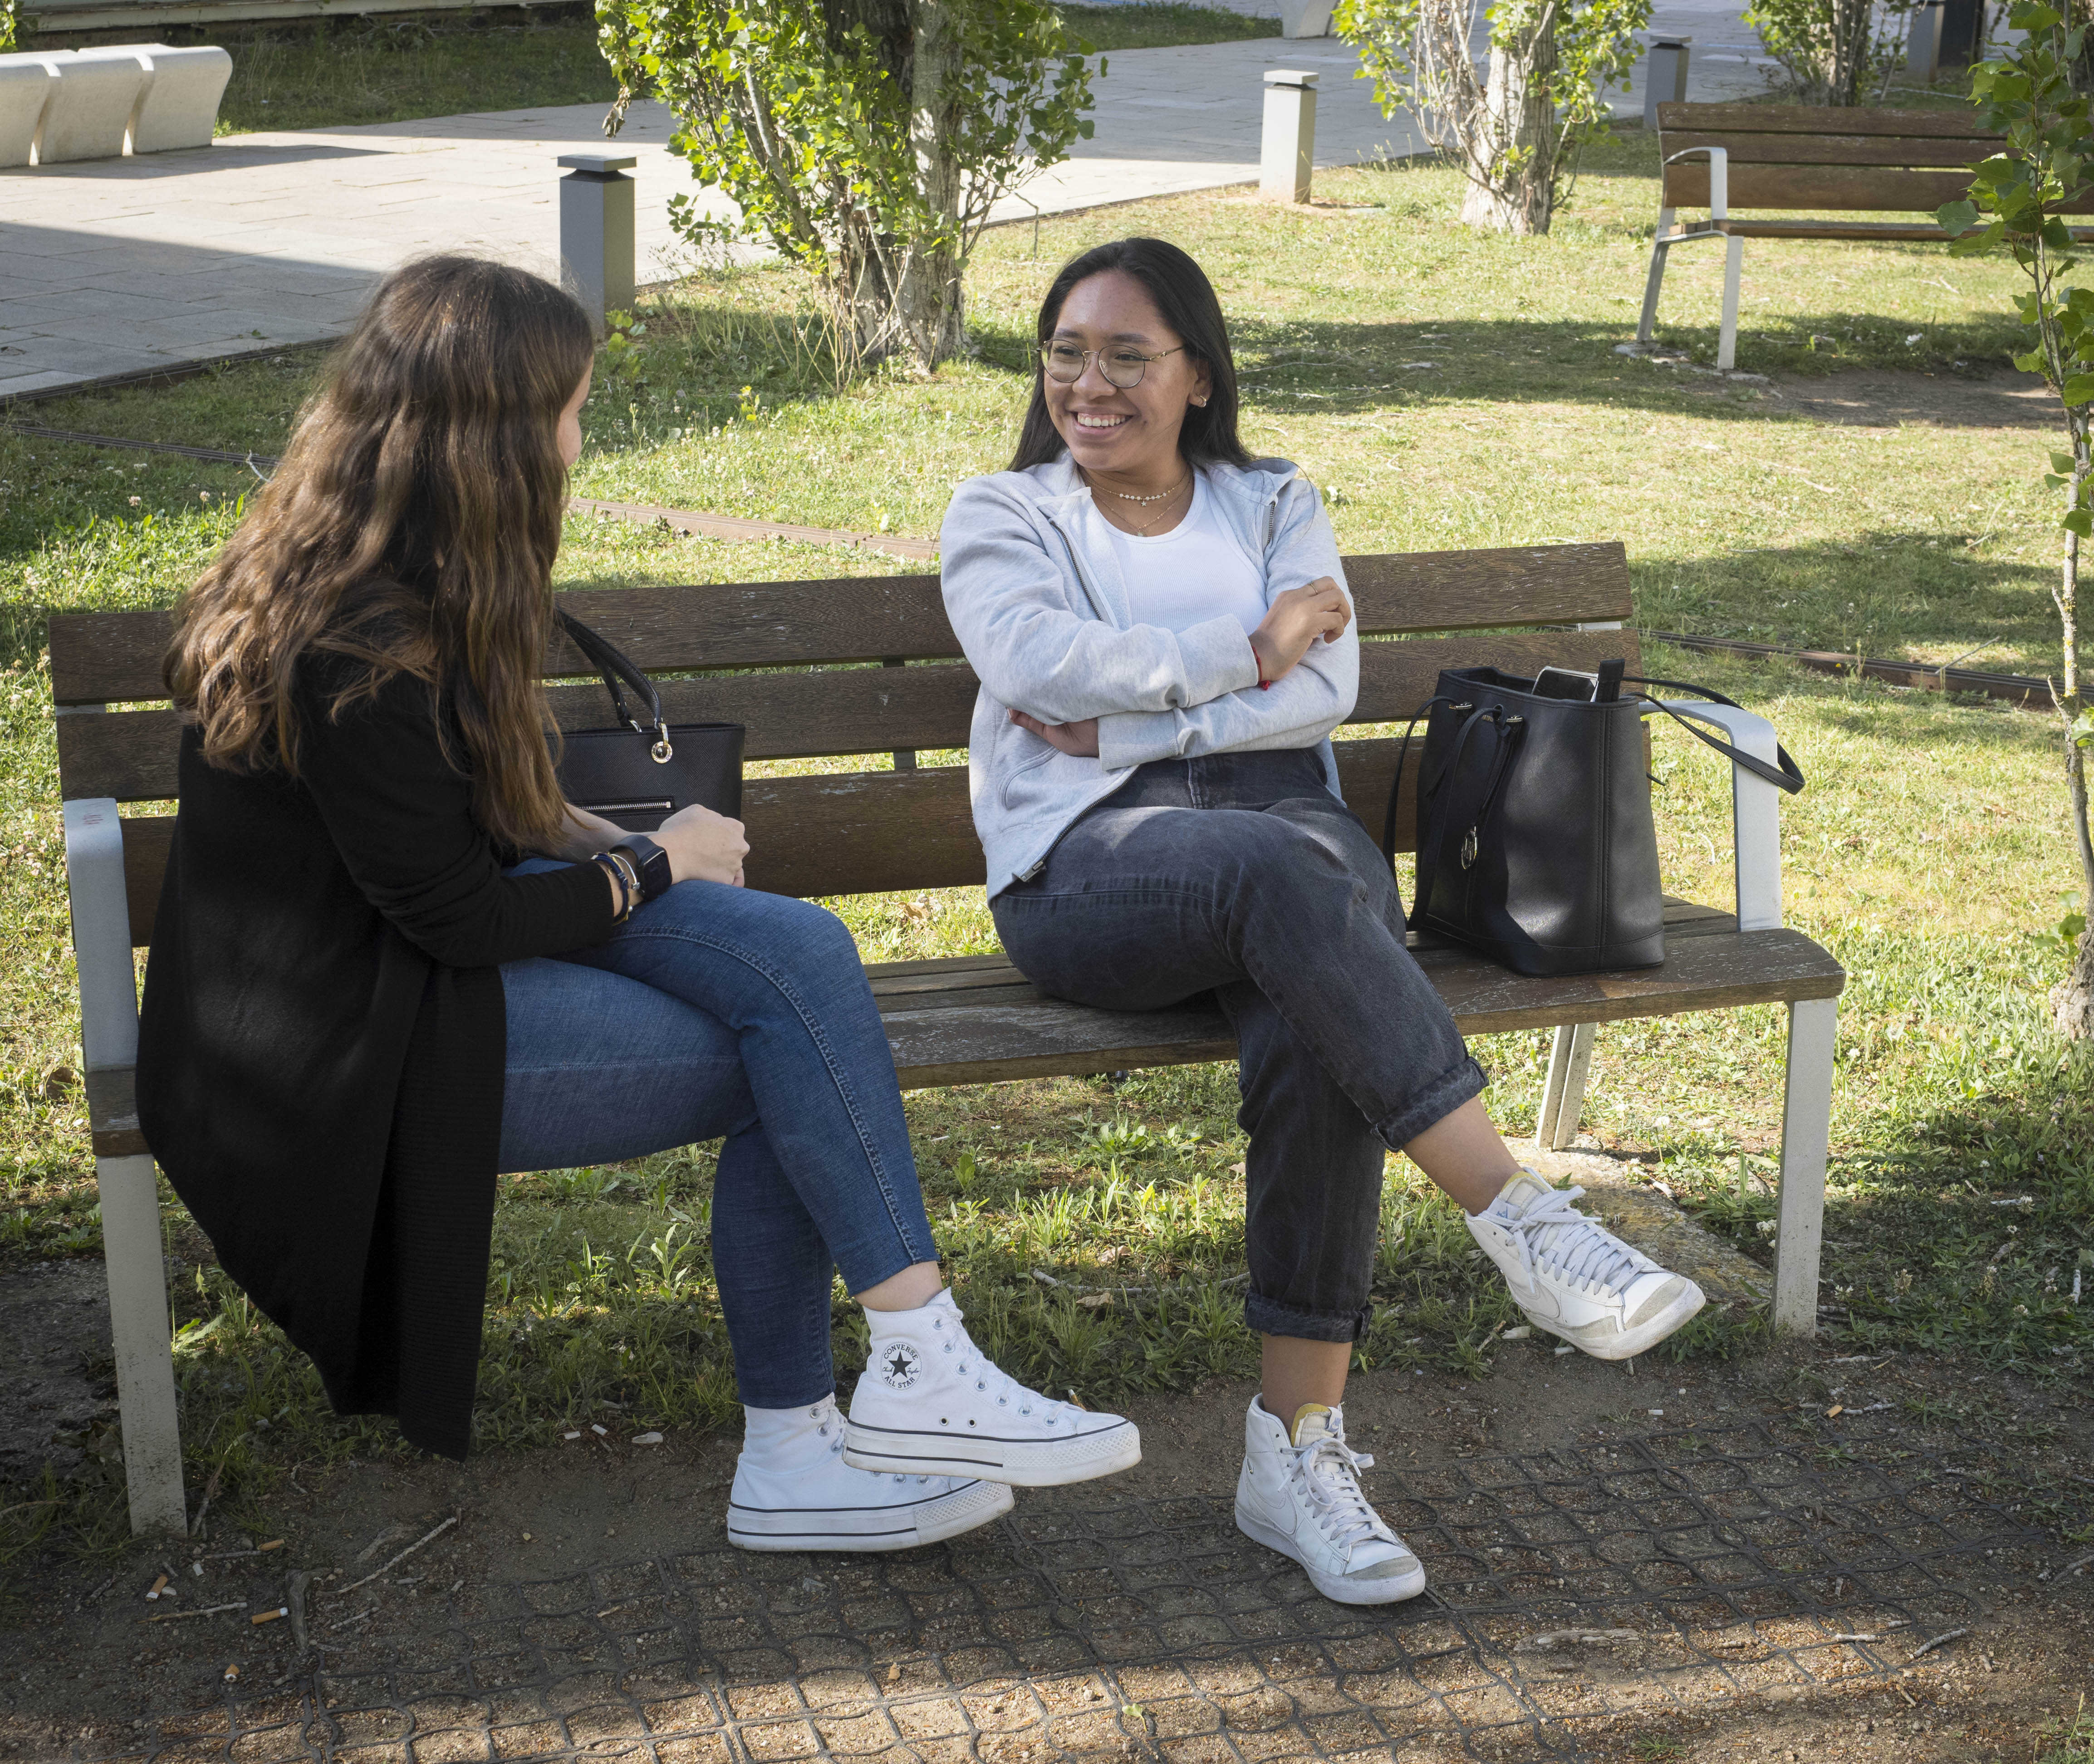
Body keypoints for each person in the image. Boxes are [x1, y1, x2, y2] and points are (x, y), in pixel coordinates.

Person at [136, 254, 1138, 1557]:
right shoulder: (347, 645)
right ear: (490, 434)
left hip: (430, 972)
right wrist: (652, 869)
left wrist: (634, 840)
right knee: (794, 1049)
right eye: (570, 409)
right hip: (353, 1047)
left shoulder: (421, 571)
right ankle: (832, 1421)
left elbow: (490, 806)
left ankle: (895, 1372)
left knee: (799, 956)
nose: (576, 437)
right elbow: (458, 919)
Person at [939, 237, 1707, 1606]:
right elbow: (1034, 663)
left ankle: (1299, 1454)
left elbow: (1326, 686)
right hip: (1088, 871)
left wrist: (1137, 707)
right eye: (1067, 350)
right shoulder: (1005, 514)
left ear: (1196, 376)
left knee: (1313, 997)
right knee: (1285, 881)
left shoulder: (1272, 499)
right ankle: (1521, 1218)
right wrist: (1247, 650)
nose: (1089, 382)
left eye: (1128, 355)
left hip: (1279, 843)